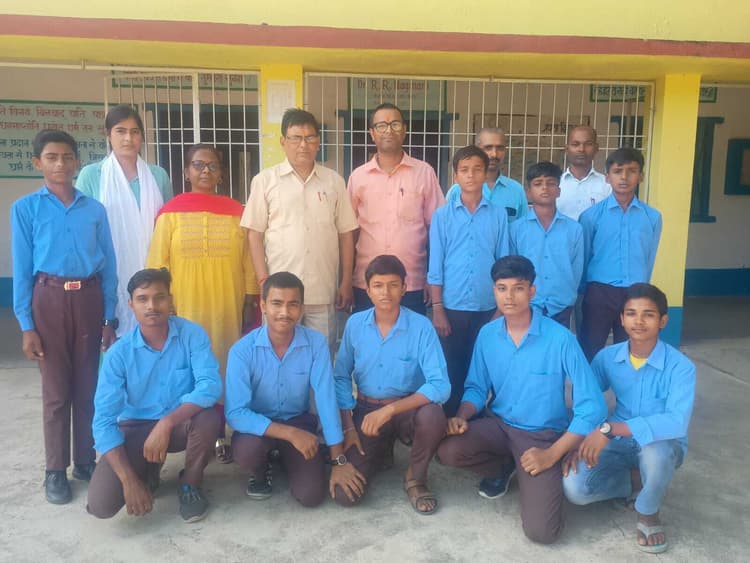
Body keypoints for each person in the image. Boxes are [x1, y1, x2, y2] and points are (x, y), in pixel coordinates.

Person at [437, 255, 606, 543]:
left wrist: (553, 453)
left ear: (532, 291)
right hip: (499, 425)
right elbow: (477, 387)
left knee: (542, 533)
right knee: (448, 451)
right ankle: (506, 465)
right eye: (501, 288)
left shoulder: (560, 339)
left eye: (518, 288)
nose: (509, 296)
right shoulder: (487, 335)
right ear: (494, 291)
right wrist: (462, 416)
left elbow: (592, 406)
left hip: (541, 436)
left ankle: (532, 469)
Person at [10, 129, 117, 505]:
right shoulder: (26, 208)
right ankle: (55, 470)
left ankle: (85, 461)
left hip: (88, 298)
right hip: (49, 298)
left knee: (88, 386)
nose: (60, 164)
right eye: (51, 157)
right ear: (38, 163)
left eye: (67, 157)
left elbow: (109, 264)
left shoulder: (95, 209)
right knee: (56, 392)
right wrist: (26, 325)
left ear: (77, 162)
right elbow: (22, 269)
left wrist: (109, 317)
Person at [146, 144, 260, 463]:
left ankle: (222, 433)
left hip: (227, 305)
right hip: (186, 307)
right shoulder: (170, 213)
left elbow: (248, 260)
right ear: (186, 172)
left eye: (212, 165)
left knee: (225, 365)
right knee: (190, 368)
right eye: (198, 165)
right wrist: (164, 303)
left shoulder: (237, 211)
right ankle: (195, 433)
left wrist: (250, 298)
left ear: (221, 173)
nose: (205, 171)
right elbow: (158, 262)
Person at [563, 283, 695, 555]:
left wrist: (610, 429)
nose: (639, 321)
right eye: (632, 313)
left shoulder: (681, 367)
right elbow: (587, 399)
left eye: (648, 314)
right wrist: (581, 437)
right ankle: (636, 481)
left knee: (656, 454)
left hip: (661, 442)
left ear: (663, 321)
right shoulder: (607, 358)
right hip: (618, 441)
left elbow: (676, 422)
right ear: (621, 319)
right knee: (575, 488)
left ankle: (648, 511)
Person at [87, 268, 222, 523]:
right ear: (131, 304)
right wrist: (128, 480)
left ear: (170, 300)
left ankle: (190, 484)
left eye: (159, 297)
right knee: (101, 505)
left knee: (209, 418)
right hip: (135, 428)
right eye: (143, 299)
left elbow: (210, 386)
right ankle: (147, 472)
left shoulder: (191, 335)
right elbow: (103, 421)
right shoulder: (118, 354)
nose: (152, 306)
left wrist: (167, 422)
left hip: (181, 424)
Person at [225, 272, 364, 507]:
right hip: (258, 428)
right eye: (277, 303)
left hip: (298, 421)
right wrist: (289, 434)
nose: (285, 312)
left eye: (293, 304)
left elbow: (326, 399)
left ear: (301, 308)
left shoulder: (316, 343)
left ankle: (288, 458)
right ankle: (261, 471)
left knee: (311, 496)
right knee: (248, 451)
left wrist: (338, 460)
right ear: (263, 306)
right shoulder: (242, 351)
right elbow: (235, 413)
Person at [333, 255, 450, 514]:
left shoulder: (421, 327)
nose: (385, 292)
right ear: (367, 289)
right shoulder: (355, 324)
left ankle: (416, 478)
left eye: (393, 285)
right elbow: (340, 377)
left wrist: (389, 410)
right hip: (366, 411)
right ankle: (382, 449)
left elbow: (440, 385)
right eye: (378, 285)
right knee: (345, 495)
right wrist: (349, 427)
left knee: (433, 415)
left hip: (407, 409)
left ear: (404, 288)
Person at [242, 108, 357, 351]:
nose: (303, 145)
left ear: (318, 141)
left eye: (310, 137)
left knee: (321, 355)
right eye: (296, 138)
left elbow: (346, 234)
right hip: (279, 294)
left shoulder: (334, 181)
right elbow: (254, 234)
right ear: (283, 141)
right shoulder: (265, 181)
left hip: (321, 290)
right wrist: (263, 281)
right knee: (276, 354)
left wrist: (346, 281)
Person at [77, 104, 173, 336]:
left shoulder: (157, 175)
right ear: (108, 134)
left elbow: (168, 224)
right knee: (111, 338)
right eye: (120, 131)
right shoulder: (93, 175)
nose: (128, 138)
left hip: (153, 267)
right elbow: (83, 227)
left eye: (135, 131)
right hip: (108, 269)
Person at [428, 146, 508, 416]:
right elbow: (435, 265)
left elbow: (503, 264)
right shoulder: (442, 216)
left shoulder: (498, 215)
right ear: (455, 176)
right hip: (452, 306)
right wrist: (438, 308)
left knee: (484, 364)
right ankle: (451, 418)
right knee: (453, 366)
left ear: (486, 174)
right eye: (464, 170)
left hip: (487, 306)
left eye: (477, 169)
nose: (471, 175)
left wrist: (501, 309)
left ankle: (479, 418)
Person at [348, 103, 445, 314]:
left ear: (405, 130)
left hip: (412, 282)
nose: (389, 130)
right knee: (368, 334)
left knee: (411, 334)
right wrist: (346, 280)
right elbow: (350, 232)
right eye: (381, 126)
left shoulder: (424, 173)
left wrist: (432, 278)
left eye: (395, 124)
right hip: (367, 283)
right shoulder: (358, 177)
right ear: (372, 133)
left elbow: (438, 230)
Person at [579, 147, 662, 361]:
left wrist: (642, 289)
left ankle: (625, 385)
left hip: (635, 293)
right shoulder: (591, 216)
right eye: (618, 171)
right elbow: (584, 257)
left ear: (641, 176)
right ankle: (591, 384)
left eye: (632, 171)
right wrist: (584, 292)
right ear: (607, 177)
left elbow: (649, 258)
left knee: (631, 351)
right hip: (599, 292)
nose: (624, 177)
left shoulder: (652, 217)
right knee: (591, 350)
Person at [510, 161, 583, 329]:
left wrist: (568, 296)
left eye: (551, 183)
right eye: (538, 184)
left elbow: (577, 269)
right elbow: (513, 269)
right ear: (528, 192)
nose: (545, 188)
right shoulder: (516, 229)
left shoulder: (574, 229)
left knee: (559, 344)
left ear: (559, 190)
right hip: (527, 304)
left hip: (562, 304)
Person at [446, 128, 528, 223]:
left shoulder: (516, 190)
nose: (494, 154)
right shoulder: (457, 190)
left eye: (500, 148)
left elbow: (524, 228)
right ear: (476, 150)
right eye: (488, 148)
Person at [557, 126, 611, 220]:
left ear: (596, 148)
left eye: (588, 144)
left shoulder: (607, 185)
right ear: (566, 149)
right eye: (575, 144)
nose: (581, 149)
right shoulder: (555, 184)